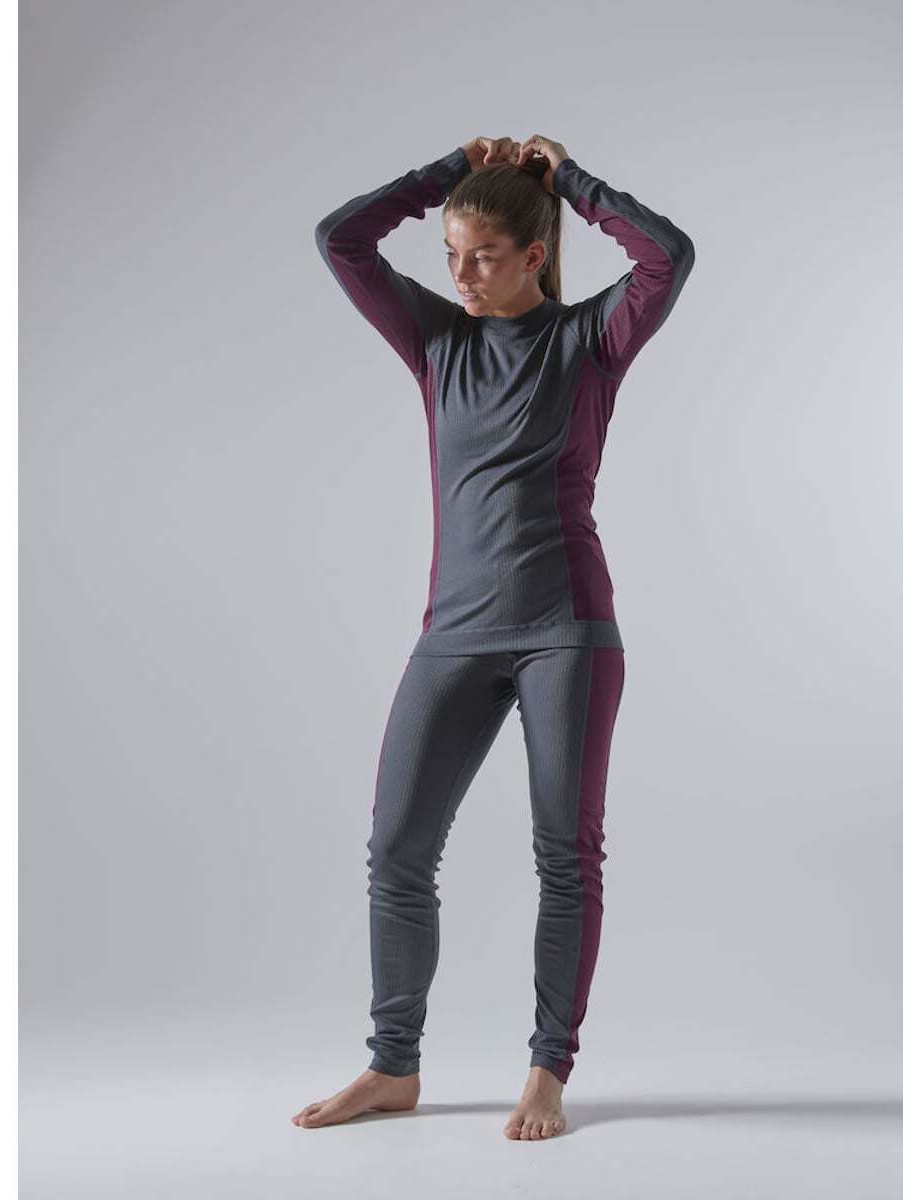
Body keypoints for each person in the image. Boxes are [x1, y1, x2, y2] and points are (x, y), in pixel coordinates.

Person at [294, 134, 695, 1139]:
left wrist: (575, 183)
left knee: (565, 854)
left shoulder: (591, 339)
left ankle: (547, 1072)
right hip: (456, 634)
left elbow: (667, 256)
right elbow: (340, 241)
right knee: (397, 849)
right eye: (451, 257)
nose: (462, 276)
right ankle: (392, 1066)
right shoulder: (437, 340)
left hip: (568, 632)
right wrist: (441, 175)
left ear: (533, 255)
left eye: (482, 256)